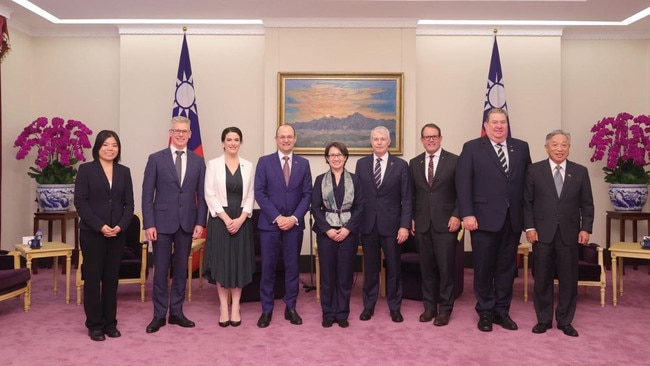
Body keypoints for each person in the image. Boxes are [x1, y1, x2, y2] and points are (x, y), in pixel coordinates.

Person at [456, 108, 531, 332]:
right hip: (481, 219)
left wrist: (529, 220)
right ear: (486, 125)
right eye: (495, 122)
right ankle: (485, 311)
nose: (499, 126)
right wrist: (467, 214)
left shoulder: (521, 147)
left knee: (507, 268)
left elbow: (528, 186)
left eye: (503, 122)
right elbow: (463, 183)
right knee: (483, 267)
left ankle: (501, 311)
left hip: (512, 219)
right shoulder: (471, 148)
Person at [524, 130, 594, 337]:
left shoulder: (580, 172)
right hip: (541, 233)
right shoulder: (534, 170)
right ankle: (543, 319)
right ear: (546, 147)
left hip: (570, 234)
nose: (559, 149)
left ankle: (565, 320)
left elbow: (587, 204)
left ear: (569, 148)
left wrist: (586, 228)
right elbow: (526, 203)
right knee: (542, 278)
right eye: (555, 145)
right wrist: (529, 227)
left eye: (564, 145)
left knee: (569, 278)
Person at [142, 116, 207, 333]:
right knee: (160, 271)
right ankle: (159, 315)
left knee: (180, 271)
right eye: (176, 131)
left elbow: (202, 195)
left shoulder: (198, 161)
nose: (180, 134)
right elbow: (146, 194)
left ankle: (176, 312)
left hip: (187, 223)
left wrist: (200, 222)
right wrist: (148, 223)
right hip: (160, 224)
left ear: (190, 135)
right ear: (171, 133)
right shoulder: (156, 159)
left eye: (184, 131)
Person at [74, 130, 134, 341]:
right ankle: (94, 325)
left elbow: (129, 204)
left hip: (117, 234)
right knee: (92, 279)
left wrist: (120, 226)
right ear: (98, 147)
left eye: (114, 145)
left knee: (111, 280)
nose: (110, 148)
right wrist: (100, 226)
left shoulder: (124, 171)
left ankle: (110, 323)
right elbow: (80, 202)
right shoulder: (86, 170)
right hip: (93, 233)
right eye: (106, 144)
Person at [254, 124, 312, 328]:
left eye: (289, 137)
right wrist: (278, 217)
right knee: (268, 269)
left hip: (294, 226)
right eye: (282, 137)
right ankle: (266, 310)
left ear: (295, 139)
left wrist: (294, 218)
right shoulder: (264, 162)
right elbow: (259, 193)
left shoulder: (303, 164)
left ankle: (291, 307)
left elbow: (307, 195)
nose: (286, 140)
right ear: (276, 139)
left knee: (292, 268)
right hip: (270, 225)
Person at [355, 126, 411, 323]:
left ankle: (395, 307)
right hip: (368, 226)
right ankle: (368, 306)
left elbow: (407, 198)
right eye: (376, 139)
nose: (379, 142)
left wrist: (404, 226)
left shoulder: (401, 165)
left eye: (383, 139)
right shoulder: (361, 165)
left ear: (389, 142)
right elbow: (359, 198)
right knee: (370, 269)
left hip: (393, 227)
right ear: (371, 142)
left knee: (394, 268)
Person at [409, 123, 460, 327]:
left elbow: (462, 192)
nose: (431, 140)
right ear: (421, 140)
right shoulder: (414, 163)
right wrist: (411, 217)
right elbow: (411, 195)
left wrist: (458, 215)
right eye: (427, 137)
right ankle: (429, 307)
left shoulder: (455, 161)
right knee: (427, 269)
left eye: (434, 136)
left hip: (446, 224)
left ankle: (445, 309)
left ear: (440, 138)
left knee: (446, 269)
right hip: (422, 224)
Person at [203, 127, 255, 328]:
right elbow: (209, 194)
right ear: (223, 142)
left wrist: (241, 218)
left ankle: (236, 307)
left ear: (241, 142)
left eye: (236, 139)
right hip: (220, 218)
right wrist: (226, 219)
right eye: (229, 139)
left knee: (239, 262)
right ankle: (224, 307)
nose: (232, 143)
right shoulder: (213, 164)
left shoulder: (248, 166)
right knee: (222, 262)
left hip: (242, 218)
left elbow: (251, 194)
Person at [311, 142, 364, 328]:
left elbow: (360, 207)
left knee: (344, 275)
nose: (336, 158)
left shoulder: (356, 180)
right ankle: (328, 313)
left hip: (348, 234)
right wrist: (328, 229)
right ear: (326, 158)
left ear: (345, 157)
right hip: (326, 234)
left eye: (339, 155)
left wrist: (348, 229)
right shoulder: (319, 180)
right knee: (327, 275)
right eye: (332, 155)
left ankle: (342, 313)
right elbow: (315, 209)